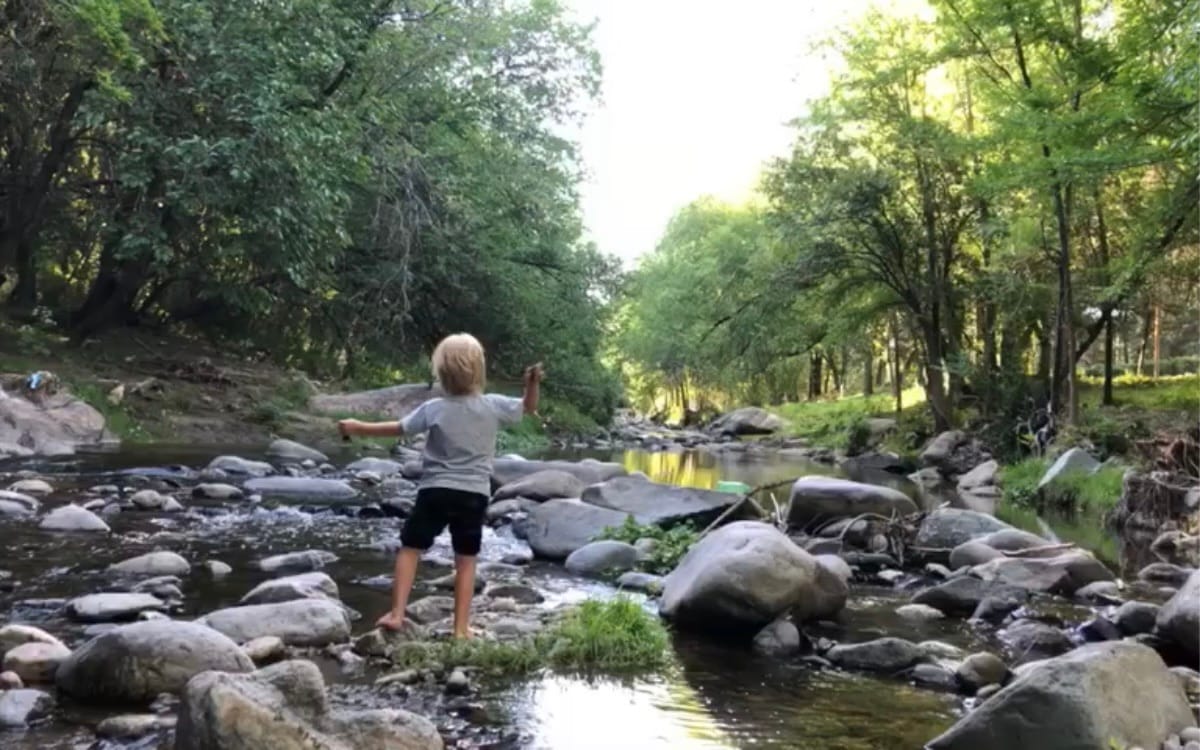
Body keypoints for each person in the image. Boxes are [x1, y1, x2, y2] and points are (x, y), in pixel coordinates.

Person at [338, 333, 542, 639]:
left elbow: (398, 429)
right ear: (479, 371)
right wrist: (532, 383)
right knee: (466, 560)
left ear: (442, 373)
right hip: (473, 495)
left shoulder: (434, 407)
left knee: (410, 549)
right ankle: (460, 629)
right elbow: (528, 406)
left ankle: (396, 614)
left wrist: (358, 427)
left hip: (435, 491)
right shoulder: (493, 405)